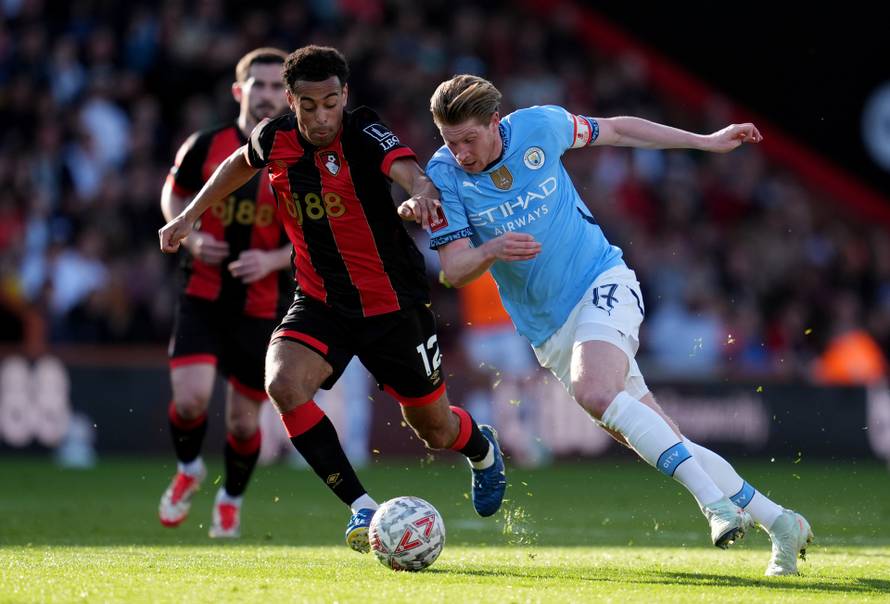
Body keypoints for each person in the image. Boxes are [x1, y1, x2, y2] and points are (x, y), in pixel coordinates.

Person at [401, 74, 813, 576]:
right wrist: (491, 249)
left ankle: (714, 505)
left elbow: (617, 130)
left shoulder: (539, 126)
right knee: (665, 435)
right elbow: (454, 269)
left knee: (594, 391)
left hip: (602, 280)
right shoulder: (443, 176)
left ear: (494, 121)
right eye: (450, 141)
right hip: (548, 330)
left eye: (469, 139)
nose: (461, 152)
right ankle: (781, 523)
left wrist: (703, 141)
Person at [158, 46, 506, 553]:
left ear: (345, 95)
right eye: (309, 105)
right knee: (282, 382)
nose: (322, 116)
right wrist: (189, 215)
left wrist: (424, 193)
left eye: (331, 102)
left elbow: (408, 169)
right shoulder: (274, 137)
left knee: (434, 428)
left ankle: (480, 446)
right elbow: (239, 162)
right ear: (292, 102)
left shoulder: (362, 129)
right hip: (321, 301)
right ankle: (362, 509)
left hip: (393, 305)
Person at [158, 48, 294, 538]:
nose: (268, 95)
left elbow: (314, 240)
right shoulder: (205, 145)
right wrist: (191, 235)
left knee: (242, 423)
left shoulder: (299, 156)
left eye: (278, 87)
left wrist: (273, 260)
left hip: (261, 304)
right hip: (202, 293)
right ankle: (189, 468)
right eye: (258, 85)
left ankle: (230, 499)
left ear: (289, 95)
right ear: (240, 92)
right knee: (191, 400)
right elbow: (173, 194)